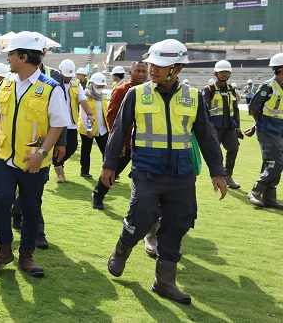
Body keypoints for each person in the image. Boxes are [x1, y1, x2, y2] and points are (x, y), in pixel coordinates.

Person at [102, 39, 227, 305]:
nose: (152, 69)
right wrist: (109, 165)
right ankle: (122, 249)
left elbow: (206, 137)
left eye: (159, 65)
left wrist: (218, 172)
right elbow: (118, 131)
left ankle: (164, 281)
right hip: (147, 171)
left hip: (182, 175)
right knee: (142, 216)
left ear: (177, 68)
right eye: (151, 64)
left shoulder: (193, 97)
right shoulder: (136, 94)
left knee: (177, 223)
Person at [0, 31, 70, 277]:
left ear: (23, 56)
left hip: (33, 162)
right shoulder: (6, 84)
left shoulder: (51, 88)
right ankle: (3, 250)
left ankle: (27, 255)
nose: (7, 58)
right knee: (0, 203)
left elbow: (58, 124)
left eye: (10, 54)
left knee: (31, 208)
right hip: (4, 157)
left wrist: (41, 154)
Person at [91, 61, 148, 208]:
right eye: (138, 71)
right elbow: (112, 117)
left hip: (145, 142)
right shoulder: (121, 91)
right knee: (113, 171)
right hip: (126, 142)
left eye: (144, 71)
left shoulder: (151, 91)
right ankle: (98, 194)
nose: (141, 74)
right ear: (130, 72)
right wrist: (119, 141)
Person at [246, 53, 283, 210]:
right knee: (276, 163)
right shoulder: (268, 86)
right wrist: (257, 124)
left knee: (274, 162)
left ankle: (269, 197)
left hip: (279, 130)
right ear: (281, 69)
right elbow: (254, 107)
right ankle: (256, 190)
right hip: (267, 129)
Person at [201, 60, 242, 189]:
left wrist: (238, 126)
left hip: (229, 126)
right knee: (215, 152)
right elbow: (204, 110)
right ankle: (218, 176)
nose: (224, 74)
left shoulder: (232, 90)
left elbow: (235, 109)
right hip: (215, 127)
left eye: (226, 72)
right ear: (215, 73)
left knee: (233, 149)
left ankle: (228, 176)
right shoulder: (209, 90)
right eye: (221, 72)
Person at [52, 59, 93, 183]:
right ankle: (59, 172)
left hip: (71, 122)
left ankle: (57, 163)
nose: (68, 78)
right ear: (60, 71)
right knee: (54, 146)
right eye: (65, 76)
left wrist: (89, 113)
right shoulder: (53, 82)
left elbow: (82, 100)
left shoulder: (76, 84)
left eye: (70, 76)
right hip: (55, 122)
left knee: (72, 146)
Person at [78, 72, 109, 179]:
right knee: (86, 151)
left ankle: (108, 171)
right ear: (92, 84)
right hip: (88, 129)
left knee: (106, 151)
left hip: (102, 129)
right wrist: (88, 128)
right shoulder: (85, 97)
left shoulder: (102, 97)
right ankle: (84, 171)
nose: (100, 87)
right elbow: (83, 115)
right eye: (98, 85)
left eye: (102, 86)